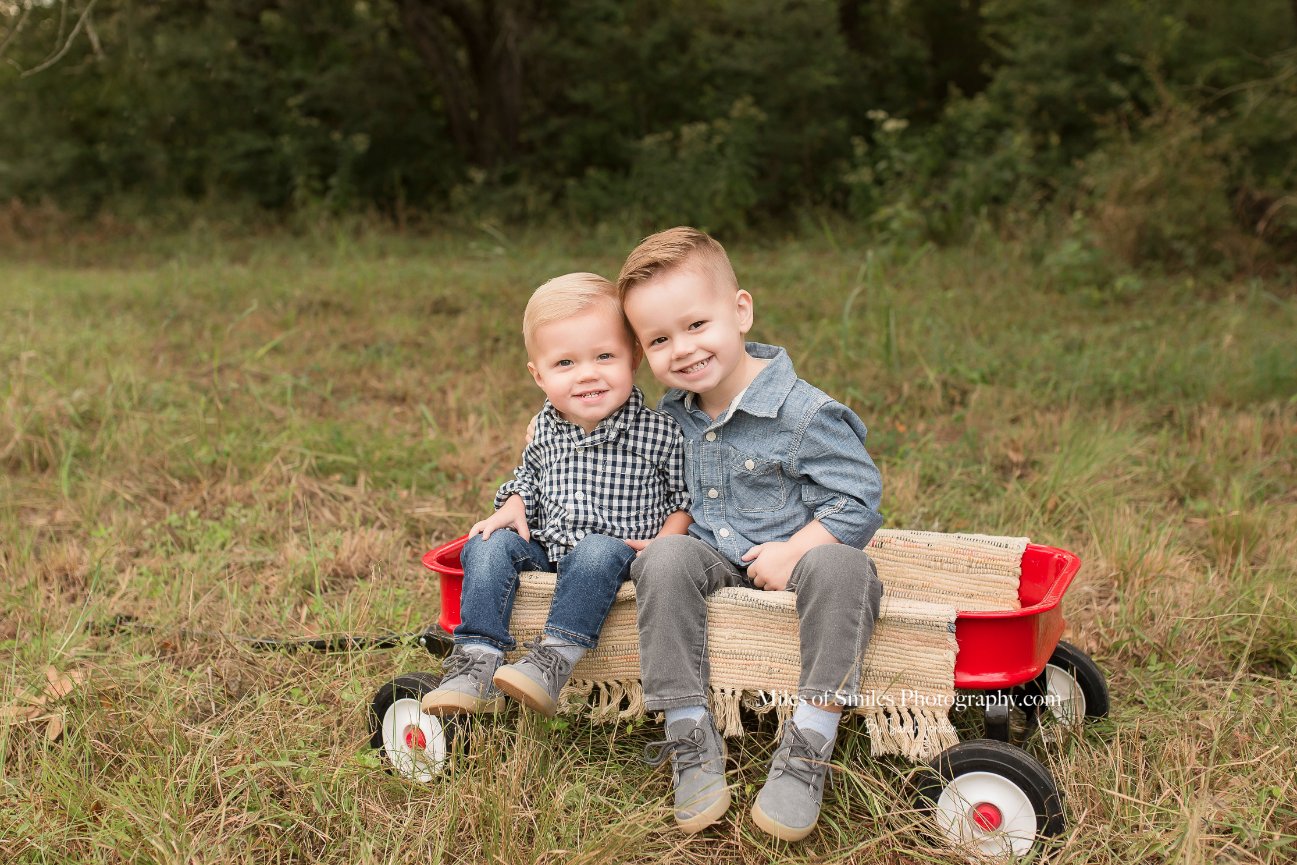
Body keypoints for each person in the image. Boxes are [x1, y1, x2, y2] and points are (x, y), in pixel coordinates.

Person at [618, 228, 884, 841]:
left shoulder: (803, 414)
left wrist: (796, 550)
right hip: (715, 555)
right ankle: (688, 731)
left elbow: (858, 496)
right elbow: (630, 462)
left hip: (801, 560)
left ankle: (810, 739)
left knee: (845, 567)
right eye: (659, 340)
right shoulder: (673, 413)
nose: (682, 350)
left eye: (696, 325)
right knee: (663, 559)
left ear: (740, 311)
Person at [422, 272, 691, 720]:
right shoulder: (546, 426)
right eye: (565, 363)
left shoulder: (660, 433)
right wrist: (514, 503)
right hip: (549, 549)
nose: (587, 374)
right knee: (487, 544)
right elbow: (527, 477)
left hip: (618, 556)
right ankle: (476, 660)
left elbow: (685, 500)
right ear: (538, 374)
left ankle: (552, 659)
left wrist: (664, 543)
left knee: (597, 549)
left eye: (604, 356)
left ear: (634, 356)